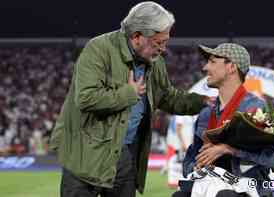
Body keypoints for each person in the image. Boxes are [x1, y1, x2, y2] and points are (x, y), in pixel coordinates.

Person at [49, 2, 211, 197]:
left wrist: (202, 101)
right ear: (136, 37)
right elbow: (86, 98)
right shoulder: (99, 49)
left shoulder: (154, 60)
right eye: (158, 42)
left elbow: (168, 97)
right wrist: (129, 93)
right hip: (85, 153)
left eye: (165, 41)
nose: (164, 49)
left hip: (124, 153)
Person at [173, 43, 274, 197]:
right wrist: (196, 165)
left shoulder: (255, 109)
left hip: (246, 187)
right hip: (209, 184)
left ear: (231, 67)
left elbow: (272, 158)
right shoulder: (205, 113)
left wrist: (229, 150)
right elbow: (190, 159)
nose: (205, 68)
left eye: (212, 62)